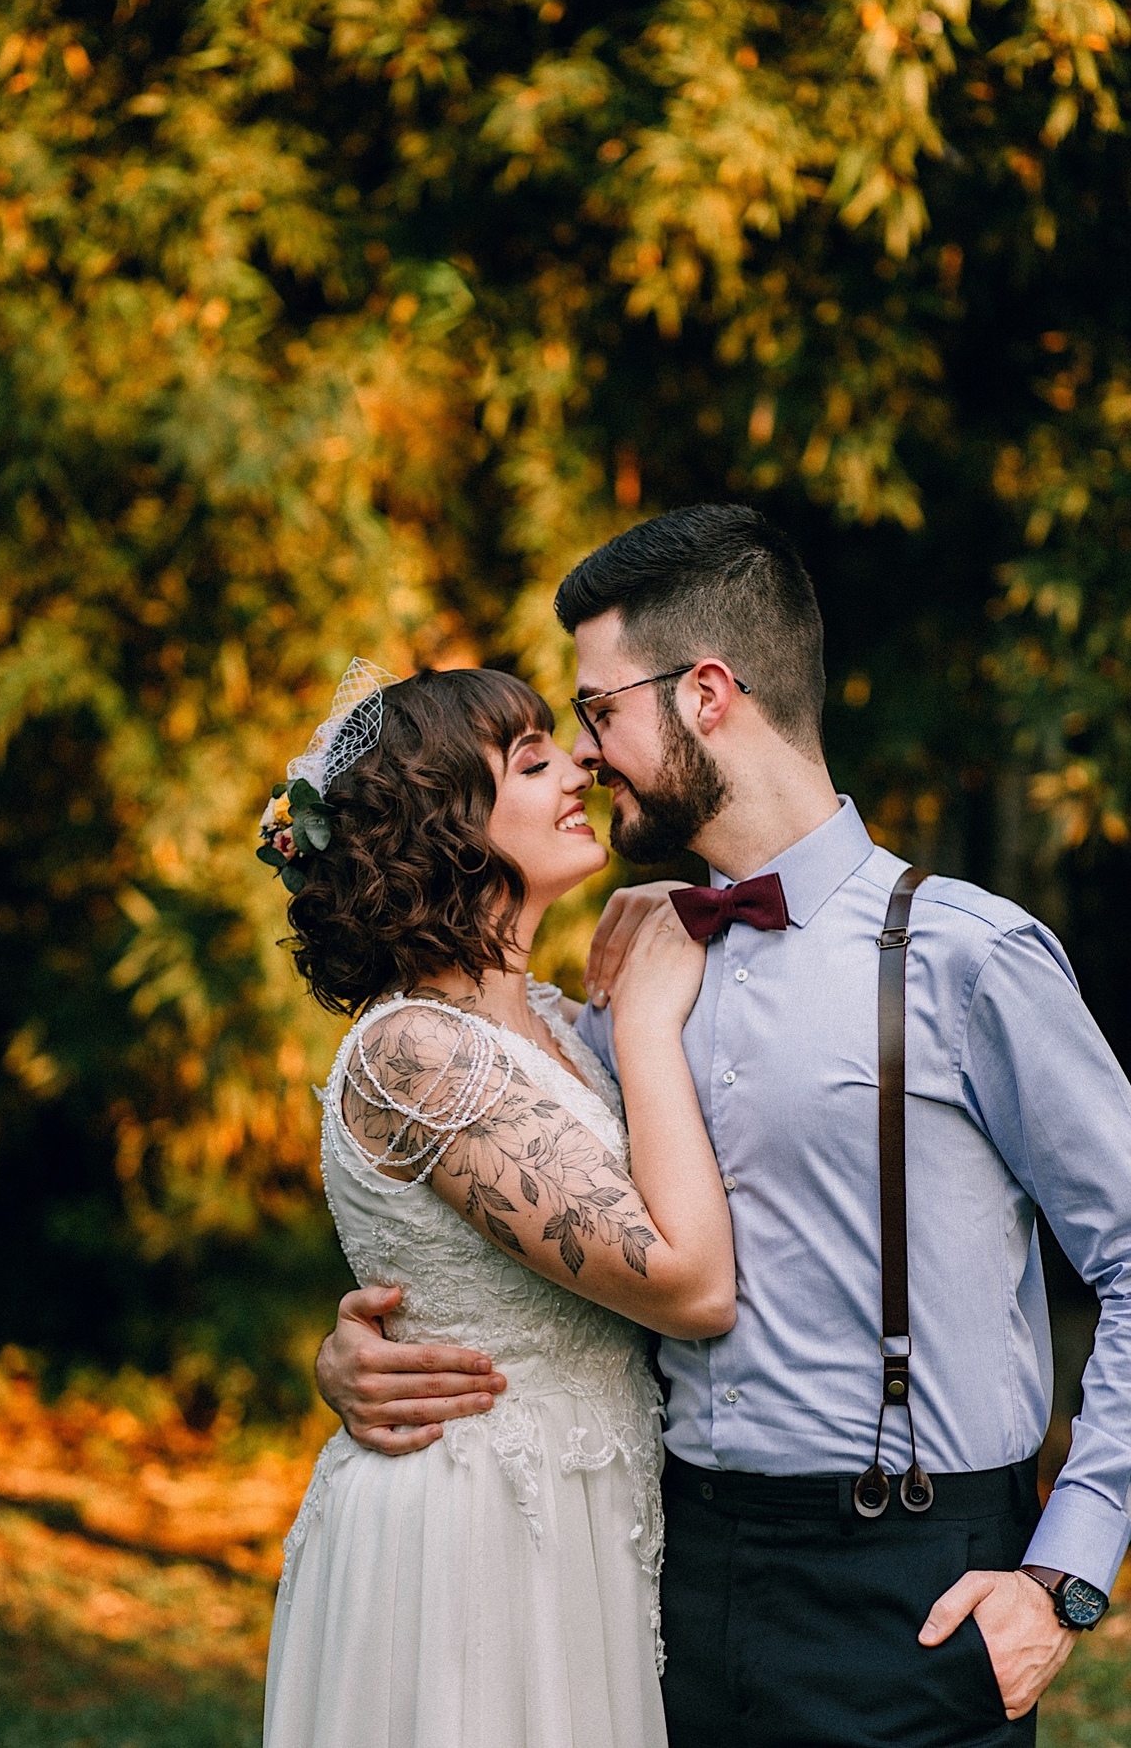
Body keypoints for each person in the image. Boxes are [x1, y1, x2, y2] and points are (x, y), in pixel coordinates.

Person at [316, 506, 1131, 1748]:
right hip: (660, 1584)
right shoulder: (620, 973)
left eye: (597, 712)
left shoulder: (970, 955)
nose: (587, 756)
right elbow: (535, 1229)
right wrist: (365, 1348)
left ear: (705, 693)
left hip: (914, 1591)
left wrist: (1065, 1574)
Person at [260, 662, 736, 1748]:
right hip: (471, 1537)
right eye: (530, 759)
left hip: (580, 1520)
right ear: (447, 829)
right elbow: (694, 1284)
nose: (578, 764)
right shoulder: (413, 1053)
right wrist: (655, 1022)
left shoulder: (560, 1027)